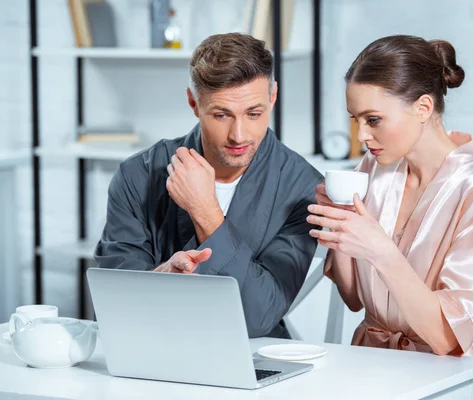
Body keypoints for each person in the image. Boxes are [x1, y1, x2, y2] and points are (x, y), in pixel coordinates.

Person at [307, 35, 473, 399]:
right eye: (356, 120)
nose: (362, 136)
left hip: (447, 382)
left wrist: (380, 250)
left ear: (422, 108)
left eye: (373, 120)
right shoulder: (374, 169)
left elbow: (446, 338)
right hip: (368, 371)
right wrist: (341, 228)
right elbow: (355, 300)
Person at [94, 32, 323, 339]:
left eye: (254, 114)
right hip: (153, 346)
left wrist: (206, 213)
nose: (239, 135)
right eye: (220, 115)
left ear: (273, 96)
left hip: (252, 357)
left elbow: (259, 317)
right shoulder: (138, 174)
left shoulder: (303, 187)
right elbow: (112, 303)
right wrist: (161, 278)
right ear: (193, 102)